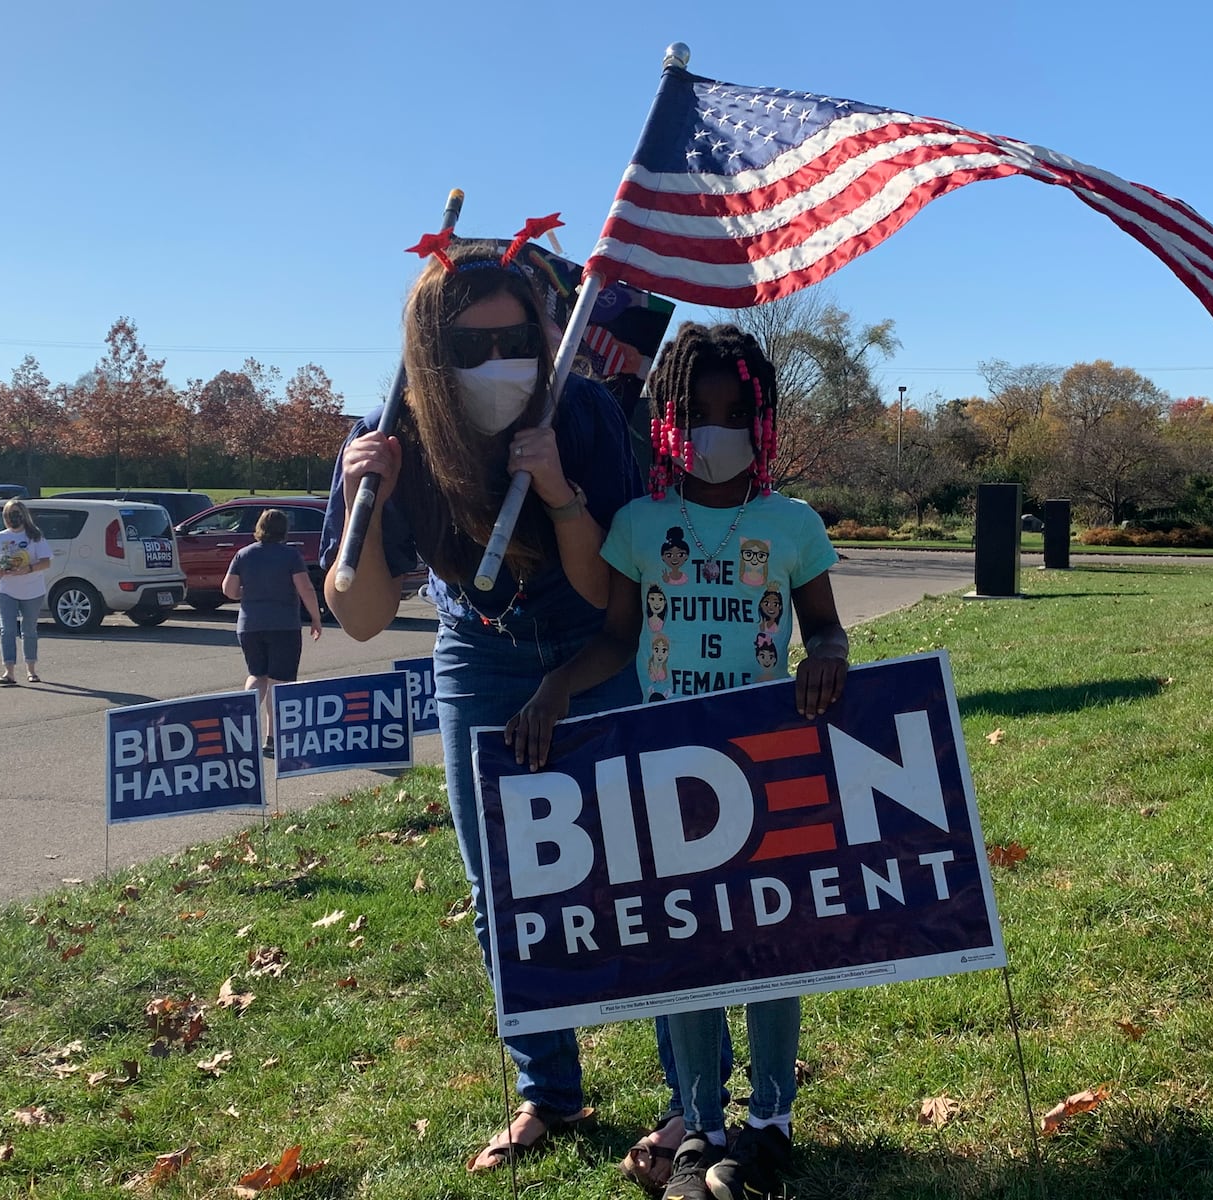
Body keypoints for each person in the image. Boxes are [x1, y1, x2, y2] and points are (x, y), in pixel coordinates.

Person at [321, 233, 718, 1180]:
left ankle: (688, 1101)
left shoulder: (579, 412)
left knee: (643, 874)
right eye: (472, 347)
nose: (499, 365)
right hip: (479, 660)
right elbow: (364, 616)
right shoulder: (395, 438)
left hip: (595, 654)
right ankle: (550, 1089)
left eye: (516, 344)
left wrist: (559, 492)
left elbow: (604, 601)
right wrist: (361, 501)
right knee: (498, 887)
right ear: (429, 352)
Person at [504, 322, 849, 1200]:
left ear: (764, 421)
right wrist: (554, 687)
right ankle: (701, 1129)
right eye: (700, 411)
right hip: (669, 776)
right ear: (667, 416)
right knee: (684, 954)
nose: (718, 428)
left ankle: (768, 1128)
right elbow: (618, 638)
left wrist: (830, 655)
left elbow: (828, 627)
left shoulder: (794, 523)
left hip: (766, 768)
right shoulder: (640, 524)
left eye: (737, 413)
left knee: (775, 950)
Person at [221, 508, 323, 755]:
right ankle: (272, 738)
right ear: (284, 530)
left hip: (249, 625)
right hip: (283, 625)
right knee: (279, 682)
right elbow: (305, 588)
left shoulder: (243, 554)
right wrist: (315, 617)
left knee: (257, 675)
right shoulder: (290, 556)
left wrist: (249, 594)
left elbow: (228, 589)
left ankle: (240, 730)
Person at [0, 500, 53, 685]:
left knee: (29, 630)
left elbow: (46, 561)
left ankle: (31, 670)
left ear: (23, 515)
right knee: (7, 630)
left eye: (15, 514)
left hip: (32, 590)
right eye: (8, 515)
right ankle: (9, 672)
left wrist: (30, 568)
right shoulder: (0, 537)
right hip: (6, 589)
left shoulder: (35, 536)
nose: (12, 518)